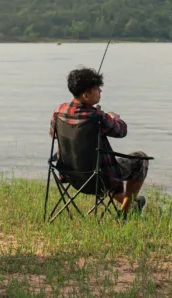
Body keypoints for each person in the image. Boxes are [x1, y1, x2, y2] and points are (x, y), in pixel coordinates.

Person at [50, 67, 149, 215]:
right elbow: (121, 131)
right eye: (97, 88)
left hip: (70, 174)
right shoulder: (97, 116)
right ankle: (128, 209)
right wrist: (114, 116)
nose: (100, 91)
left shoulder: (59, 111)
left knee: (98, 163)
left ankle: (130, 205)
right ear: (86, 95)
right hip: (98, 177)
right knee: (141, 159)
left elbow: (53, 134)